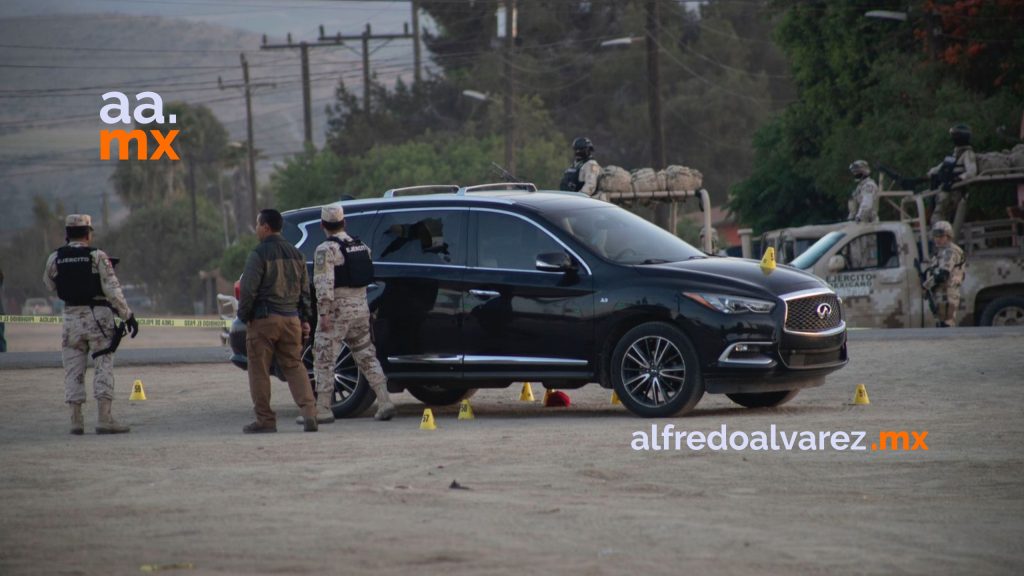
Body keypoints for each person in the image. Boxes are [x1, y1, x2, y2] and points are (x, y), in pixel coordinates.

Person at [44, 214, 139, 435]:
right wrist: (128, 316)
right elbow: (113, 291)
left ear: (67, 235)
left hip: (70, 318)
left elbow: (49, 285)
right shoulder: (97, 256)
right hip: (98, 317)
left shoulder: (55, 257)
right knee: (103, 364)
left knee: (73, 368)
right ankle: (104, 419)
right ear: (88, 233)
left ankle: (75, 421)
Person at [306, 205, 396, 425]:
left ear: (322, 225)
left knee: (324, 358)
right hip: (361, 308)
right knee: (366, 354)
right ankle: (384, 401)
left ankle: (323, 408)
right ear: (344, 223)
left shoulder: (325, 250)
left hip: (337, 311)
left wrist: (324, 313)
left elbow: (323, 283)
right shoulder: (361, 246)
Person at [238, 208, 318, 433]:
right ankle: (310, 413)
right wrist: (304, 319)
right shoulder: (296, 254)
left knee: (259, 370)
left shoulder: (259, 254)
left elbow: (248, 290)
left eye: (257, 224)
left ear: (265, 227)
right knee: (295, 365)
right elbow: (305, 292)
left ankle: (265, 420)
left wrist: (244, 316)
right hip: (291, 319)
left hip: (265, 320)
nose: (256, 229)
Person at [929, 124, 978, 223]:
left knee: (941, 217)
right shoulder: (954, 155)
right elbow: (938, 168)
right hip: (946, 189)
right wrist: (931, 173)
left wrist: (957, 179)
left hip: (955, 192)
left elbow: (972, 172)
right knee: (937, 215)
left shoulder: (967, 154)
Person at [922, 220, 966, 327]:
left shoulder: (950, 252)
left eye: (941, 236)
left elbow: (943, 275)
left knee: (946, 325)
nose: (937, 239)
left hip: (947, 293)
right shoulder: (941, 251)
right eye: (936, 236)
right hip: (941, 293)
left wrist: (926, 286)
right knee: (941, 324)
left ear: (948, 236)